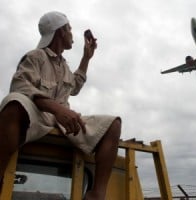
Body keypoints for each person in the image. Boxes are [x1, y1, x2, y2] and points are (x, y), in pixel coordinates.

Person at [0, 11, 121, 200]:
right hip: (38, 115)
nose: (72, 33)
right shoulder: (35, 56)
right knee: (13, 103)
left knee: (113, 125)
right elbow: (20, 85)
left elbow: (75, 86)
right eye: (70, 28)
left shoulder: (64, 66)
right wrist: (57, 109)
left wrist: (86, 58)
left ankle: (97, 194)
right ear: (60, 31)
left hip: (64, 122)